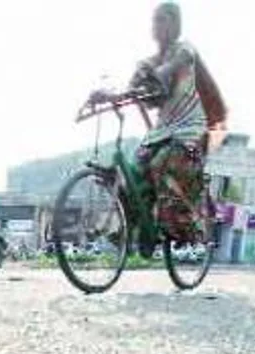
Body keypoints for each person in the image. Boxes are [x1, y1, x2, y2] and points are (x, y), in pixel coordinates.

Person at [91, 3, 225, 251]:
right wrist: (106, 95)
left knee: (162, 164)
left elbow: (174, 65)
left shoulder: (185, 51)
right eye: (156, 21)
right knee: (131, 173)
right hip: (160, 133)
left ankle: (178, 227)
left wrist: (161, 74)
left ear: (176, 24)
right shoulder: (147, 63)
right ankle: (129, 226)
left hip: (188, 131)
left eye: (164, 20)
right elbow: (131, 88)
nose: (159, 26)